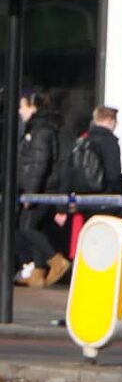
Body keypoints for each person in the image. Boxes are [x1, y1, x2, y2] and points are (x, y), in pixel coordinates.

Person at [14, 93, 66, 287]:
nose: (20, 111)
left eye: (22, 106)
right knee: (37, 227)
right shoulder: (35, 129)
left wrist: (30, 191)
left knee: (26, 226)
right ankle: (38, 272)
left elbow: (39, 163)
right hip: (38, 188)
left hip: (41, 189)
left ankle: (56, 260)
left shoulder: (41, 131)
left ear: (33, 107)